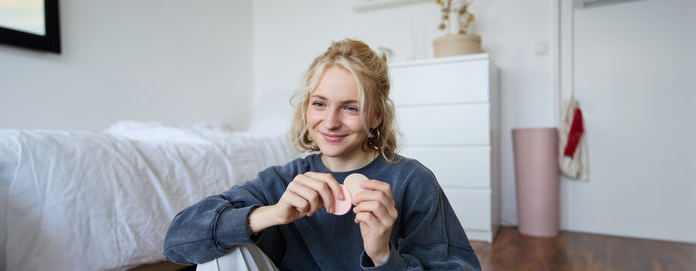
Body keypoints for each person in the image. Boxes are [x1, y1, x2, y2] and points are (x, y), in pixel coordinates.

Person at [163, 39, 481, 270]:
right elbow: (177, 242)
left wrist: (384, 256)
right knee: (225, 251)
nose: (329, 122)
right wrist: (274, 213)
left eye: (351, 107)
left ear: (376, 117)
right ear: (307, 108)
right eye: (319, 103)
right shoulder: (284, 180)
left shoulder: (412, 181)